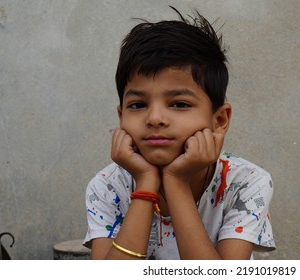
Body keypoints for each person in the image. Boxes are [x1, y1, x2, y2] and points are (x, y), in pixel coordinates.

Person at [83, 7, 275, 260]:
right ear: (121, 118)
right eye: (138, 105)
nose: (155, 119)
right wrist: (146, 184)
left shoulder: (246, 182)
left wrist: (175, 182)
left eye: (179, 104)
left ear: (219, 120)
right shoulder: (108, 185)